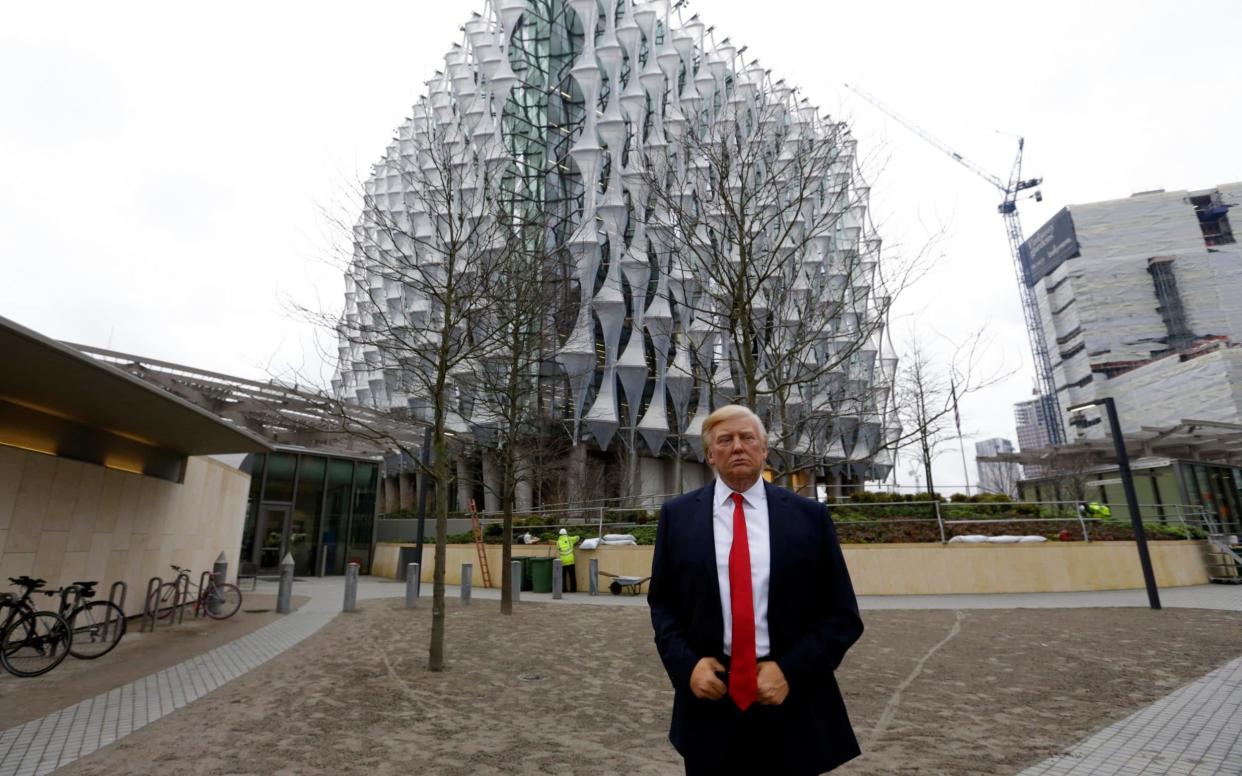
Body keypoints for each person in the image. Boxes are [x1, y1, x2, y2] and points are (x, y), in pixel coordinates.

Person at [648, 404, 864, 775]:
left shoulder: (810, 517)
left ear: (764, 450)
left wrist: (790, 671)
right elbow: (663, 605)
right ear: (709, 454)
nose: (737, 447)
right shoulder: (677, 517)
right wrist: (688, 666)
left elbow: (842, 615)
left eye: (748, 438)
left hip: (791, 702)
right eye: (725, 440)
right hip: (709, 702)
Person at [556, 528, 580, 593]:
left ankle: (564, 589)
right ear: (566, 533)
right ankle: (573, 589)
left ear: (560, 534)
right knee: (572, 576)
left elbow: (558, 549)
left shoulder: (558, 542)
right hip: (570, 560)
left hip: (562, 561)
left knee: (563, 576)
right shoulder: (570, 539)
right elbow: (578, 537)